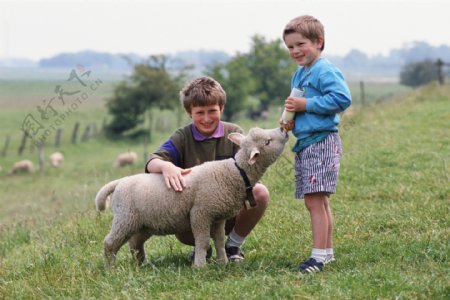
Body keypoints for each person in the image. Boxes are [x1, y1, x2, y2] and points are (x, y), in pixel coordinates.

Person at [145, 76, 270, 262]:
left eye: (212, 111)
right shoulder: (182, 137)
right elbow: (152, 161)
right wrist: (166, 166)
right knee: (193, 221)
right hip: (192, 217)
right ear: (189, 112)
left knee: (260, 192)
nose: (206, 118)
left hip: (230, 213)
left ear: (222, 108)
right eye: (199, 112)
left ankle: (232, 246)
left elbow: (250, 170)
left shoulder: (233, 132)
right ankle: (201, 248)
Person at [281, 15, 352, 273]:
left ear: (319, 42)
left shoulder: (325, 70)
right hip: (306, 142)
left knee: (315, 200)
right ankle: (327, 252)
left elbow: (342, 99)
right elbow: (297, 105)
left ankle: (318, 256)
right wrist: (291, 120)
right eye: (290, 47)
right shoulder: (299, 75)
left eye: (300, 44)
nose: (295, 51)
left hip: (322, 141)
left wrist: (306, 105)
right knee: (317, 201)